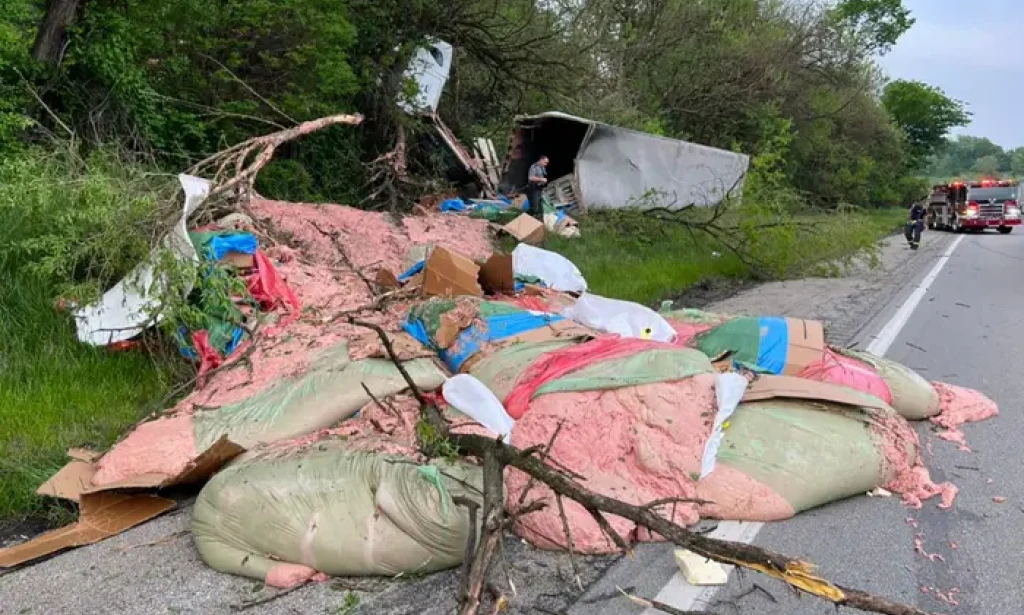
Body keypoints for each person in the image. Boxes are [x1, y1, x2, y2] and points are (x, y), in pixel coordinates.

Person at [525, 155, 549, 220]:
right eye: (545, 162)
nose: (546, 164)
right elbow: (531, 177)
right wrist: (541, 179)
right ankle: (525, 217)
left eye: (547, 163)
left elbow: (543, 174)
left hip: (539, 188)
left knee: (541, 206)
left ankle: (538, 221)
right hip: (533, 188)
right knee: (534, 207)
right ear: (541, 160)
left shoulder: (542, 167)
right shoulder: (534, 167)